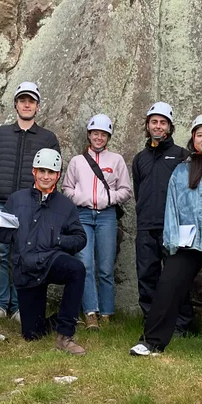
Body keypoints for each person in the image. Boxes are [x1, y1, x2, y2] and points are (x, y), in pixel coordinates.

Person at [130, 114, 202, 363]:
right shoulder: (181, 171)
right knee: (168, 287)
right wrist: (171, 241)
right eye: (199, 134)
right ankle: (152, 342)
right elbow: (171, 208)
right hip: (187, 243)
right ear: (193, 138)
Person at [0, 148, 88, 355]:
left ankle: (65, 334)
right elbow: (0, 236)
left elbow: (80, 238)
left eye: (51, 172)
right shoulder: (16, 199)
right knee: (32, 335)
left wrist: (59, 240)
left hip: (52, 260)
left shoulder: (66, 205)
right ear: (33, 172)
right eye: (42, 171)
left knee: (76, 269)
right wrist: (1, 226)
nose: (46, 176)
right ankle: (56, 319)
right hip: (26, 269)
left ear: (58, 176)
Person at [0, 82, 60, 322]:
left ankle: (18, 307)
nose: (27, 104)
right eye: (23, 100)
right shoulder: (0, 133)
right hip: (1, 202)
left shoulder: (47, 137)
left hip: (30, 205)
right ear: (16, 104)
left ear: (37, 106)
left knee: (24, 255)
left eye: (31, 101)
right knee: (0, 253)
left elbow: (56, 168)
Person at [62, 114, 132, 329]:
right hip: (82, 215)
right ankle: (90, 311)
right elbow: (66, 188)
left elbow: (126, 190)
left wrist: (107, 199)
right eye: (95, 133)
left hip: (106, 216)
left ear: (108, 136)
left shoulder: (116, 160)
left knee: (105, 266)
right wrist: (82, 199)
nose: (99, 138)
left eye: (103, 134)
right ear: (89, 135)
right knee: (85, 264)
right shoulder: (77, 161)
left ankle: (107, 312)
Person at [131, 102, 193, 334]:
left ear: (170, 126)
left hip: (174, 227)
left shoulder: (182, 156)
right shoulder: (139, 158)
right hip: (146, 226)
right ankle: (152, 321)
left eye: (163, 122)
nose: (158, 126)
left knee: (176, 277)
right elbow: (139, 190)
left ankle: (181, 324)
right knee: (147, 276)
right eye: (154, 122)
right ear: (147, 126)